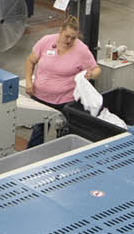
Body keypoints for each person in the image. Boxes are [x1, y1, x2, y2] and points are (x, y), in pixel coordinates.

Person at [15, 14, 99, 149]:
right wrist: (29, 81)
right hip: (40, 97)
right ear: (61, 31)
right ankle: (31, 158)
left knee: (64, 132)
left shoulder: (81, 50)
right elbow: (30, 61)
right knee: (39, 131)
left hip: (65, 101)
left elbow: (96, 69)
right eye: (67, 36)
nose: (69, 40)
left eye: (73, 38)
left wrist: (91, 74)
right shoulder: (46, 41)